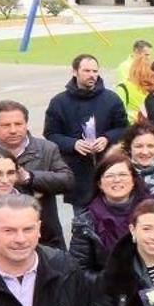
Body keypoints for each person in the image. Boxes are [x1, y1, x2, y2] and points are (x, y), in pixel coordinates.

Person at [0, 101, 73, 251]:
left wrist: (29, 178)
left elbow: (67, 181)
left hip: (45, 235)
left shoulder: (46, 149)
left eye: (18, 124)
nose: (13, 130)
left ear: (26, 124)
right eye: (6, 125)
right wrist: (31, 194)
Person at [42, 54, 130, 209]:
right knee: (82, 220)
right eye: (87, 71)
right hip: (77, 173)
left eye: (95, 71)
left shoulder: (112, 99)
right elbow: (51, 134)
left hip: (108, 170)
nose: (92, 75)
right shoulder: (59, 102)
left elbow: (124, 128)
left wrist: (107, 138)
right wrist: (73, 144)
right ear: (74, 72)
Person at [68, 151, 154, 274]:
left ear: (133, 180)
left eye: (123, 175)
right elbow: (78, 270)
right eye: (110, 176)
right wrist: (108, 281)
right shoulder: (85, 222)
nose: (117, 180)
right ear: (100, 184)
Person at [115, 40, 154, 122]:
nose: (149, 58)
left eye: (150, 55)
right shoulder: (124, 67)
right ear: (137, 52)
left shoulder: (148, 65)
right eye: (146, 55)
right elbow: (125, 91)